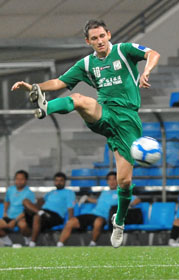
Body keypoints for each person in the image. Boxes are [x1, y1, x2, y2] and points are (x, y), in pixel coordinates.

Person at [11, 19, 160, 248]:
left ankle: (119, 221)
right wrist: (35, 87)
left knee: (125, 181)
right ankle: (44, 108)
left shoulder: (123, 50)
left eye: (102, 36)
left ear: (108, 34)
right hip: (104, 113)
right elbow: (60, 82)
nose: (99, 41)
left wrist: (146, 72)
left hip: (128, 121)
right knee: (79, 99)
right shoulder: (87, 64)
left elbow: (153, 53)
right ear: (87, 41)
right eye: (94, 38)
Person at [57, 171, 118, 247]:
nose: (112, 181)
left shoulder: (122, 193)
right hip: (92, 214)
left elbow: (135, 200)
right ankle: (59, 244)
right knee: (71, 222)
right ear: (107, 181)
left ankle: (92, 244)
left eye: (114, 179)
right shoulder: (104, 192)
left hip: (104, 217)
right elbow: (98, 201)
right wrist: (86, 198)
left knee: (98, 221)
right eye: (109, 179)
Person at [23, 172, 75, 247]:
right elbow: (41, 201)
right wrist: (39, 202)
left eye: (61, 180)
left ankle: (32, 244)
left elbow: (70, 208)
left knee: (37, 216)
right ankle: (40, 212)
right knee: (25, 202)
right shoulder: (51, 192)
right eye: (56, 180)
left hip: (55, 216)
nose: (58, 182)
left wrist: (70, 222)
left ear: (65, 182)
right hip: (43, 213)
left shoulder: (69, 192)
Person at [0, 170, 35, 246]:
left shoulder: (29, 193)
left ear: (26, 180)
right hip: (9, 217)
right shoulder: (10, 189)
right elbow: (7, 201)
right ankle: (8, 243)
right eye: (17, 179)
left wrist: (15, 221)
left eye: (21, 179)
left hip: (21, 218)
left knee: (24, 226)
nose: (19, 181)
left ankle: (27, 242)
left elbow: (28, 210)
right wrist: (5, 213)